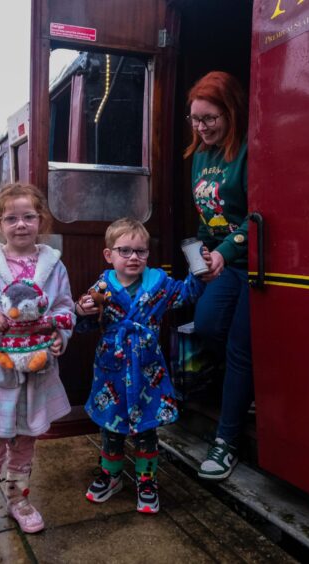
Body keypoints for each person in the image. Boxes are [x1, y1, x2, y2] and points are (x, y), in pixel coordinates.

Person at [0, 183, 75, 545]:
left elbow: (64, 309)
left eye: (28, 217)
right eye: (11, 218)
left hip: (37, 369)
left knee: (25, 439)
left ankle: (19, 502)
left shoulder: (53, 266)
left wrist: (61, 335)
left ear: (41, 221)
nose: (20, 224)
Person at [75, 218, 209, 514]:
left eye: (141, 251)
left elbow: (186, 294)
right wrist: (80, 309)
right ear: (109, 255)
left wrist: (201, 271)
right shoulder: (102, 285)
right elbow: (84, 321)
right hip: (112, 370)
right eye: (125, 251)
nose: (134, 257)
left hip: (147, 370)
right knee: (111, 427)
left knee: (146, 429)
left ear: (148, 254)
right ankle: (111, 476)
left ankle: (146, 481)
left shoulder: (159, 283)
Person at [184, 71, 252, 480]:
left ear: (231, 112)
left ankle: (227, 441)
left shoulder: (248, 150)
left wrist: (226, 251)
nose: (202, 127)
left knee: (241, 349)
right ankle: (244, 390)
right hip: (220, 261)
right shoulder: (199, 157)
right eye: (195, 119)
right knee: (208, 325)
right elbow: (209, 218)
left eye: (210, 118)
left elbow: (262, 216)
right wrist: (205, 249)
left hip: (253, 265)